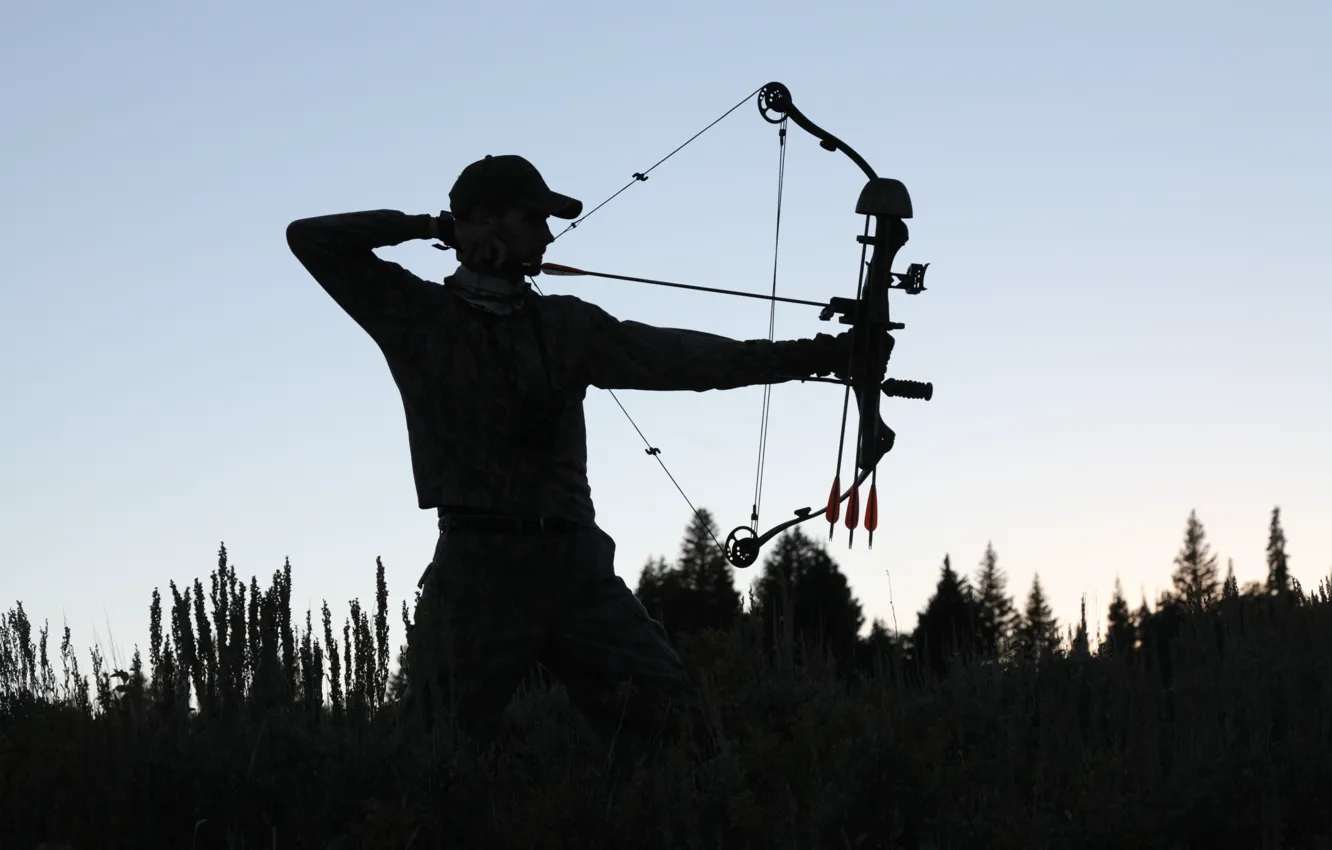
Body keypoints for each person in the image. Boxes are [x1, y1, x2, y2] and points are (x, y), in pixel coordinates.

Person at [285, 153, 857, 775]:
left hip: (577, 569)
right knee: (435, 758)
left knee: (682, 739)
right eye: (532, 219)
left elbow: (687, 360)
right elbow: (311, 238)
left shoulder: (564, 326)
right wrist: (432, 226)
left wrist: (822, 354)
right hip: (477, 567)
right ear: (481, 220)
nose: (547, 236)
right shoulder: (417, 315)